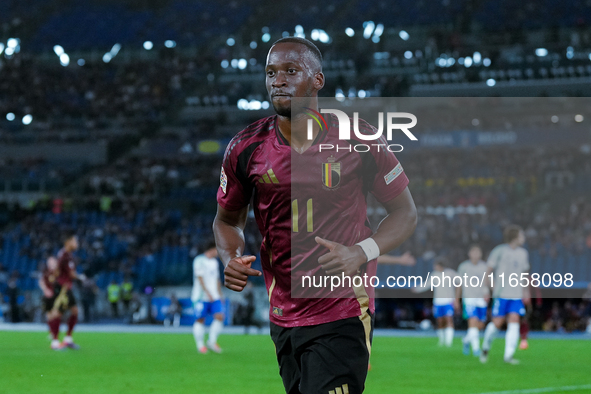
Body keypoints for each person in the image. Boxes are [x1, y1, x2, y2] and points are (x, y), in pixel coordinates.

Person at [213, 37, 417, 393]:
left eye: (291, 71)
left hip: (342, 310)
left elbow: (405, 213)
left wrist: (360, 252)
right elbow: (227, 219)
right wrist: (230, 256)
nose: (278, 80)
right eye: (271, 72)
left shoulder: (359, 139)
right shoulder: (245, 148)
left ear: (317, 80)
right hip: (283, 314)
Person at [480, 225, 529, 365]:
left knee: (514, 321)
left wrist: (525, 291)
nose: (523, 238)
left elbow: (524, 274)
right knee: (497, 323)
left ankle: (508, 356)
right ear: (515, 237)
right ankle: (485, 348)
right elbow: (488, 271)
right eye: (521, 235)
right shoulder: (499, 251)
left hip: (516, 294)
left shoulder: (523, 253)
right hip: (501, 293)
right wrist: (486, 289)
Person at [44, 233, 82, 350]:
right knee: (58, 313)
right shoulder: (66, 256)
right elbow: (71, 274)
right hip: (63, 288)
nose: (77, 244)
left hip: (65, 287)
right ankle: (55, 342)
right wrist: (81, 278)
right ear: (68, 242)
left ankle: (67, 339)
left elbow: (57, 271)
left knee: (75, 311)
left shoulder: (63, 254)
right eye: (75, 241)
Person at [413, 257, 458, 347]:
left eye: (435, 265)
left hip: (448, 301)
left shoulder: (450, 273)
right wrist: (417, 289)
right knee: (440, 321)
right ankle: (441, 341)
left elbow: (460, 282)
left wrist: (456, 298)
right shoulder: (434, 275)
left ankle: (449, 342)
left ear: (440, 265)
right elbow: (427, 285)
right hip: (438, 301)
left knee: (449, 319)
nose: (434, 267)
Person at [455, 245, 489, 356]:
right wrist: (457, 299)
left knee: (480, 325)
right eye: (473, 252)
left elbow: (488, 281)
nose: (475, 254)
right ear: (469, 254)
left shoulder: (485, 266)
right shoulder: (463, 267)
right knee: (472, 322)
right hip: (469, 298)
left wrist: (488, 292)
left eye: (478, 252)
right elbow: (459, 284)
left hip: (481, 299)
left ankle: (466, 340)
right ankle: (476, 349)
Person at [192, 240, 225, 354]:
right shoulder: (199, 260)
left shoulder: (214, 262)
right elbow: (200, 278)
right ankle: (200, 345)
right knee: (200, 319)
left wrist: (220, 294)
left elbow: (217, 280)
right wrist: (207, 292)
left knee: (220, 316)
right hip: (201, 297)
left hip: (214, 296)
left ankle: (212, 341)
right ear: (211, 249)